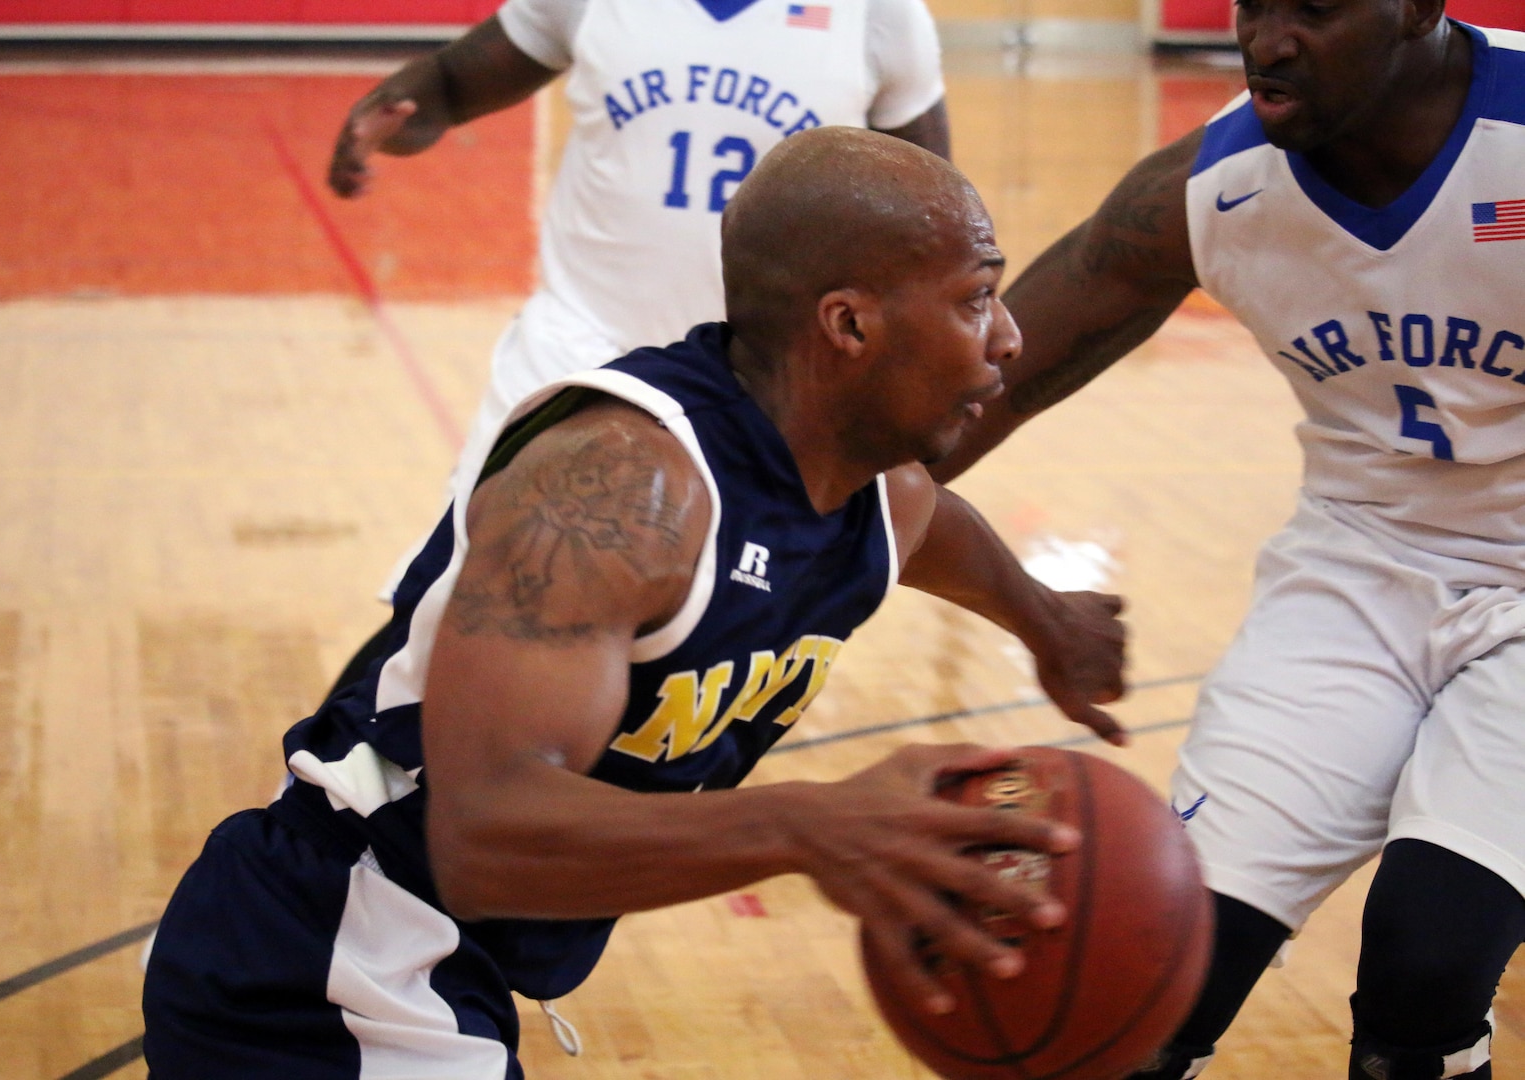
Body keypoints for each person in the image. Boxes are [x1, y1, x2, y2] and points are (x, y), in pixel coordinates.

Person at [142, 128, 1131, 1078]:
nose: (1009, 337)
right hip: (329, 958)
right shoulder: (620, 486)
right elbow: (485, 837)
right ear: (850, 324)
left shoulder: (879, 493)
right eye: (976, 299)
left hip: (436, 969)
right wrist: (812, 827)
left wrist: (1047, 620)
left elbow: (931, 528)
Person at [928, 1, 1525, 1076]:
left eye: (1315, 10)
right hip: (1356, 577)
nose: (1268, 39)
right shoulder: (1209, 191)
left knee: (1426, 963)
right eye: (1255, 4)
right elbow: (967, 403)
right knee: (1146, 975)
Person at [325, 0, 952, 633]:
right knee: (463, 595)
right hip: (577, 347)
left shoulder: (878, 15)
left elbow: (936, 212)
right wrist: (392, 112)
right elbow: (453, 82)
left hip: (754, 384)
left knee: (688, 633)